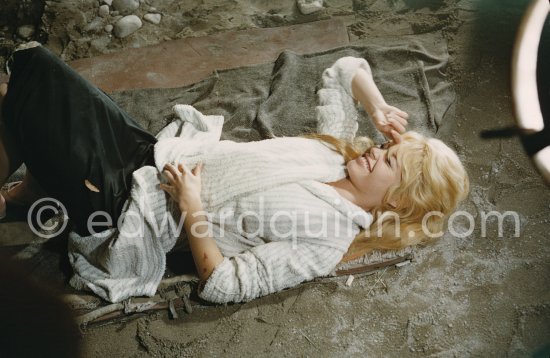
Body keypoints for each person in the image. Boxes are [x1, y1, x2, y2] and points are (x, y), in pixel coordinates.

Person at [0, 43, 469, 304]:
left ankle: (23, 194)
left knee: (21, 99)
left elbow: (225, 284)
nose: (377, 149)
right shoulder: (340, 150)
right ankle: (25, 192)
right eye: (388, 145)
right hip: (150, 151)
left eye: (390, 160)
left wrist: (193, 207)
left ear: (399, 201)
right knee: (33, 65)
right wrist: (377, 104)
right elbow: (345, 68)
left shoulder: (326, 241)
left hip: (131, 206)